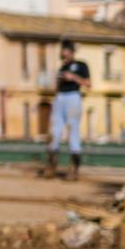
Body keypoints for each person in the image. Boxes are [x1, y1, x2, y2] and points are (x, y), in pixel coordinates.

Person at [47, 40, 90, 180]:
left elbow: (88, 84)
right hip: (60, 97)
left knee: (73, 131)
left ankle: (74, 169)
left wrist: (73, 77)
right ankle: (51, 166)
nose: (63, 53)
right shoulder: (62, 67)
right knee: (54, 132)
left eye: (65, 50)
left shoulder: (81, 65)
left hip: (73, 97)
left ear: (71, 51)